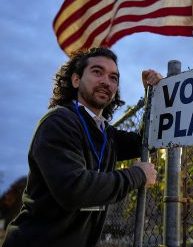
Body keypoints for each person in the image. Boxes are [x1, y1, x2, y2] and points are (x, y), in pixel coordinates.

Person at [2, 47, 162, 247]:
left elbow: (146, 141)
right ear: (76, 80)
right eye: (97, 72)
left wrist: (154, 96)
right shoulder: (58, 122)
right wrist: (137, 175)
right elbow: (73, 188)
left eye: (113, 77)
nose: (106, 81)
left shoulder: (106, 133)